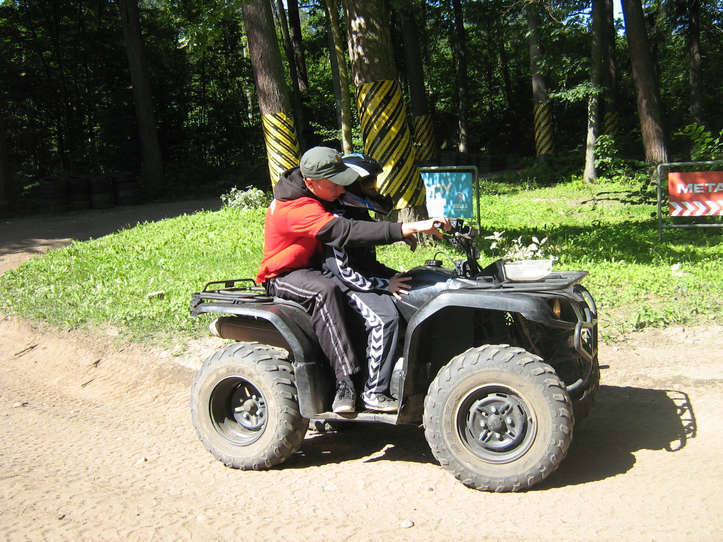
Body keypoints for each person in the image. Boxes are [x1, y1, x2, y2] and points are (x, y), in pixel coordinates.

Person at [255, 146, 448, 413]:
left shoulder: (317, 193)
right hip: (284, 273)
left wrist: (389, 258)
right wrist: (406, 228)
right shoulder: (297, 207)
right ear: (311, 182)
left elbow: (355, 232)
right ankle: (345, 382)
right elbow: (344, 231)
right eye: (335, 185)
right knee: (325, 290)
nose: (342, 189)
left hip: (313, 266)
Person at [321, 153, 411, 413]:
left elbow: (367, 258)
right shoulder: (338, 218)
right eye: (369, 183)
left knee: (416, 289)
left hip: (364, 278)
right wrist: (385, 284)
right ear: (352, 184)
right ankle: (374, 392)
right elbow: (345, 272)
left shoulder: (358, 211)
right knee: (385, 319)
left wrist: (394, 272)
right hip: (344, 286)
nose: (374, 188)